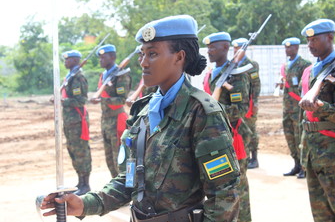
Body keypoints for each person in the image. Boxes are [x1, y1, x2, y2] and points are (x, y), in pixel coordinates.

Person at [41, 15, 241, 222]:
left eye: (152, 54)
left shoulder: (202, 113)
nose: (143, 62)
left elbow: (224, 195)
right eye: (142, 54)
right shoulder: (142, 112)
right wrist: (84, 204)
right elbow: (128, 181)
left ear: (179, 57)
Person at [299, 19, 335, 222]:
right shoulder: (311, 70)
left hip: (334, 150)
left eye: (315, 39)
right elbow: (302, 115)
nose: (310, 45)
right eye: (308, 40)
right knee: (320, 212)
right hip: (311, 149)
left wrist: (322, 108)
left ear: (330, 37)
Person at [203, 32, 252, 222]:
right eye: (208, 47)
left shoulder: (237, 75)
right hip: (214, 138)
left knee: (238, 187)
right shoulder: (211, 73)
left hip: (233, 136)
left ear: (225, 47)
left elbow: (240, 109)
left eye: (213, 47)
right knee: (219, 187)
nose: (209, 51)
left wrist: (214, 108)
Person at [90, 44, 131, 178]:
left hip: (117, 120)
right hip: (106, 120)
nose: (101, 60)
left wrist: (102, 100)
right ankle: (115, 186)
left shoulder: (121, 75)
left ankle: (125, 188)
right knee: (109, 157)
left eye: (104, 57)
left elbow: (121, 100)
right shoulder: (104, 76)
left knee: (119, 156)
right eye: (100, 58)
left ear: (112, 57)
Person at [60, 50, 92, 195]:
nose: (65, 62)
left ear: (74, 60)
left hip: (78, 121)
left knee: (81, 152)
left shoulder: (78, 77)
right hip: (69, 121)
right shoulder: (69, 76)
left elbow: (81, 101)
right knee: (73, 151)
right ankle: (80, 181)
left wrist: (62, 101)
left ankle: (86, 184)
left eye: (68, 60)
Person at [280, 37, 311, 179]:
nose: (287, 50)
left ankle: (304, 167)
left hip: (299, 108)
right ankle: (296, 164)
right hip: (287, 107)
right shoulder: (286, 65)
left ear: (297, 48)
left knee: (300, 138)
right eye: (286, 48)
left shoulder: (304, 64)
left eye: (290, 47)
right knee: (290, 136)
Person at [232, 38, 261, 169]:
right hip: (237, 104)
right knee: (239, 130)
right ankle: (245, 156)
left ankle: (254, 157)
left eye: (238, 49)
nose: (236, 51)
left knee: (251, 129)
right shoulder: (233, 64)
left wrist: (254, 102)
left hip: (248, 103)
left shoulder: (252, 64)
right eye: (234, 49)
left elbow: (256, 85)